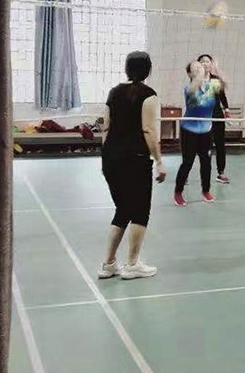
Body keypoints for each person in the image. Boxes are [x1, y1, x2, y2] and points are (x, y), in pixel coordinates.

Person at [99, 51, 166, 280]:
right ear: (148, 70)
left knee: (123, 209)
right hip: (135, 159)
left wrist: (106, 156)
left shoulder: (113, 92)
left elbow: (106, 127)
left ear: (127, 68)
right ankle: (133, 264)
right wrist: (159, 161)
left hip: (110, 158)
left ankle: (109, 264)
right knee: (139, 212)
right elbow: (149, 130)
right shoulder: (149, 95)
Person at [174, 61, 220, 206]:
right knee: (187, 163)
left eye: (201, 66)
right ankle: (178, 192)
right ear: (189, 73)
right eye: (196, 68)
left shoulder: (212, 86)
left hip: (206, 130)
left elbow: (223, 84)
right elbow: (196, 102)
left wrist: (216, 71)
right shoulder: (189, 89)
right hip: (189, 130)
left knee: (206, 163)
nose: (200, 68)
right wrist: (200, 77)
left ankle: (206, 191)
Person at [198, 54, 231, 184]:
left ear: (211, 64)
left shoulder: (216, 80)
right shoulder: (196, 80)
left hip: (217, 115)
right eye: (202, 62)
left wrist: (226, 109)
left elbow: (222, 96)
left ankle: (221, 173)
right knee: (203, 146)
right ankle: (199, 173)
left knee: (220, 144)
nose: (205, 64)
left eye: (207, 61)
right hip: (203, 116)